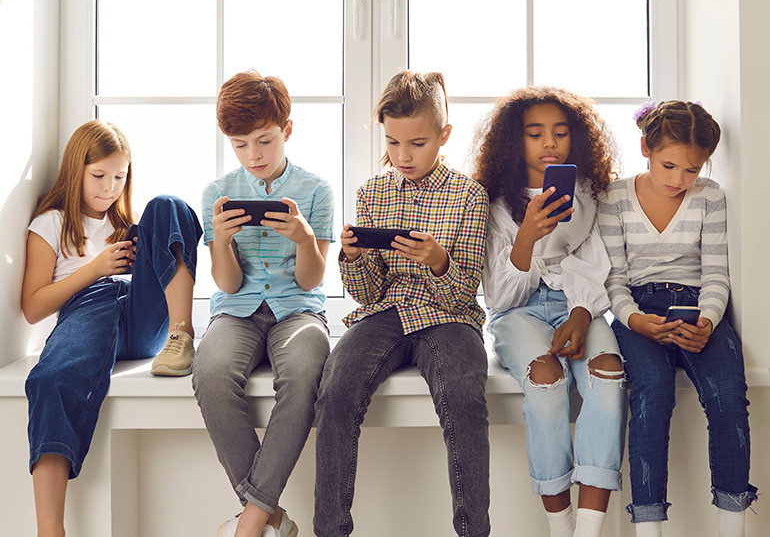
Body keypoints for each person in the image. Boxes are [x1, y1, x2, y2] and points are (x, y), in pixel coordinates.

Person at [313, 70, 491, 537]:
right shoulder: (372, 192)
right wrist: (352, 259)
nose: (403, 155)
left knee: (463, 396)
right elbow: (368, 294)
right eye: (393, 143)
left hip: (449, 316)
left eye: (416, 143)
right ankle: (330, 529)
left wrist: (437, 261)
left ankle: (474, 530)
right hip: (385, 312)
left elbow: (463, 291)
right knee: (335, 389)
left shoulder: (469, 195)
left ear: (443, 135)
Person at [22, 120, 202, 536]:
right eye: (99, 176)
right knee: (49, 379)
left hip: (142, 316)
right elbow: (33, 307)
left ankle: (183, 333)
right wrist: (93, 270)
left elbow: (161, 263)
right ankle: (50, 528)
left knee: (168, 205)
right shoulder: (51, 223)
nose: (109, 188)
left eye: (119, 178)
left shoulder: (133, 221)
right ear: (75, 171)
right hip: (86, 308)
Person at [471, 85, 626, 537]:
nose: (549, 143)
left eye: (560, 132)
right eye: (535, 133)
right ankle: (562, 527)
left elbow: (597, 259)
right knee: (545, 383)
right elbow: (499, 297)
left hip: (580, 304)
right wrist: (527, 236)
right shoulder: (494, 201)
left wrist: (581, 313)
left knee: (608, 374)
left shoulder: (589, 193)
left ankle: (588, 531)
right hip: (519, 311)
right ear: (513, 140)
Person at [598, 100, 757, 537]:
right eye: (668, 166)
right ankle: (649, 527)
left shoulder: (711, 197)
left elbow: (716, 274)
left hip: (698, 311)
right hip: (638, 315)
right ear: (645, 147)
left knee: (728, 400)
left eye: (692, 170)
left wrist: (707, 320)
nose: (678, 180)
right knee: (651, 397)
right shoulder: (614, 197)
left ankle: (733, 526)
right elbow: (613, 278)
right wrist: (632, 321)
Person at [192, 70, 334, 537]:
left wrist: (305, 238)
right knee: (209, 373)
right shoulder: (217, 193)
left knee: (305, 373)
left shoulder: (316, 191)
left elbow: (312, 279)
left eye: (264, 140)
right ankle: (271, 516)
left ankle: (251, 521)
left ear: (287, 130)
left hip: (298, 308)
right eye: (240, 144)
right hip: (236, 310)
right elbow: (228, 285)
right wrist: (222, 242)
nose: (253, 154)